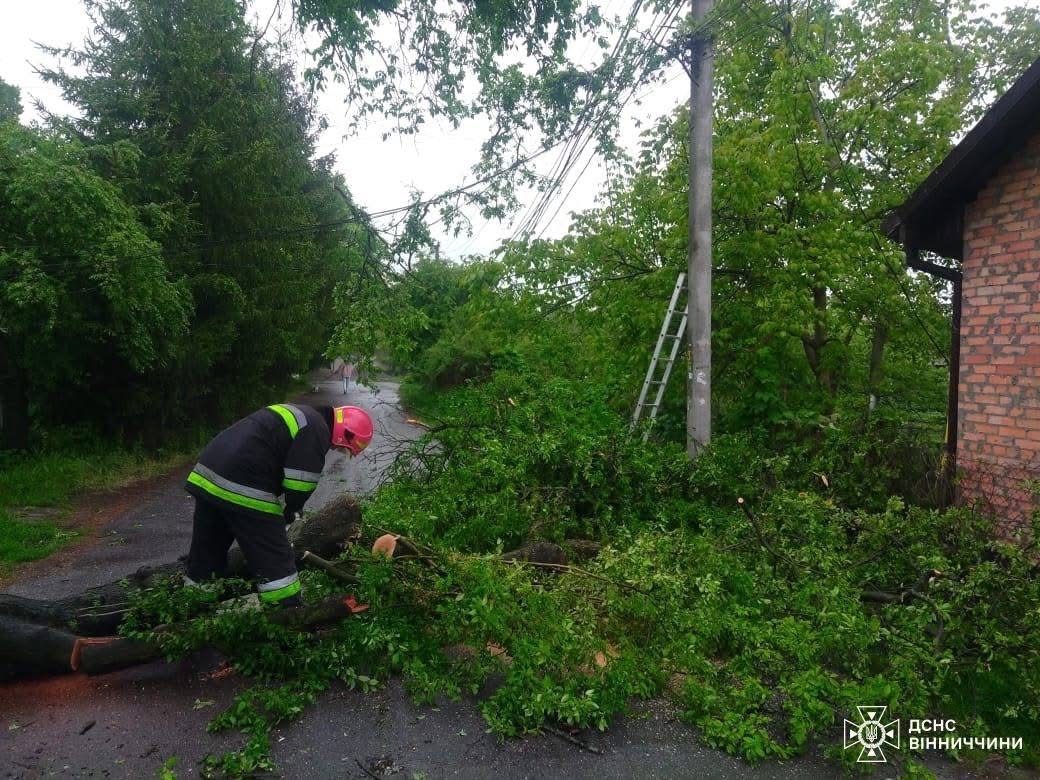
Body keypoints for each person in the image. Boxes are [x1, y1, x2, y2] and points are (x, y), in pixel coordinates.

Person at [184, 403, 374, 606]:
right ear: (346, 434)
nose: (337, 450)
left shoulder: (304, 414)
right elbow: (300, 483)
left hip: (208, 473)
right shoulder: (317, 428)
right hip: (243, 482)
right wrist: (292, 511)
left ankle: (194, 604)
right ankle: (286, 609)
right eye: (343, 448)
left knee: (208, 551)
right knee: (274, 557)